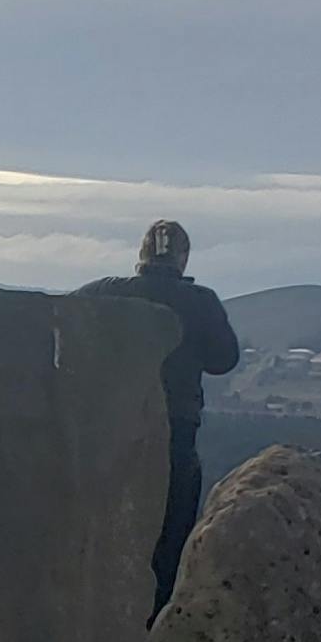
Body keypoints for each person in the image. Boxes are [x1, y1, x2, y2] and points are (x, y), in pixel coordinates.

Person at [84, 219, 242, 612]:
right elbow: (225, 359)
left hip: (112, 431)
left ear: (141, 255)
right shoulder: (201, 302)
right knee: (170, 535)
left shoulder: (106, 293)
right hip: (176, 429)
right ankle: (158, 622)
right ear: (183, 259)